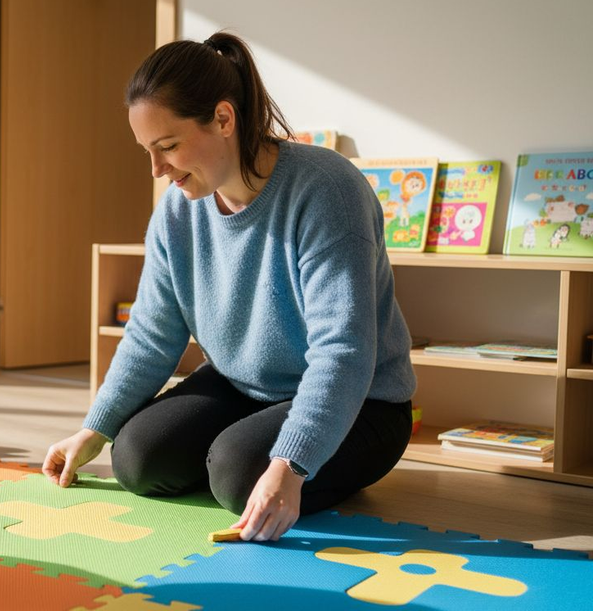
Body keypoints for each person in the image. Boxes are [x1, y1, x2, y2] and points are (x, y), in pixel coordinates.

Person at [43, 32, 417, 542]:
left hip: (364, 403)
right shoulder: (177, 212)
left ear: (223, 118)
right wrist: (95, 427)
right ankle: (246, 455)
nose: (158, 170)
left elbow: (344, 352)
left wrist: (290, 466)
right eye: (148, 152)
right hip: (244, 387)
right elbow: (152, 335)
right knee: (136, 458)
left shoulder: (327, 191)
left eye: (168, 147)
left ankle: (284, 464)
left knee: (239, 473)